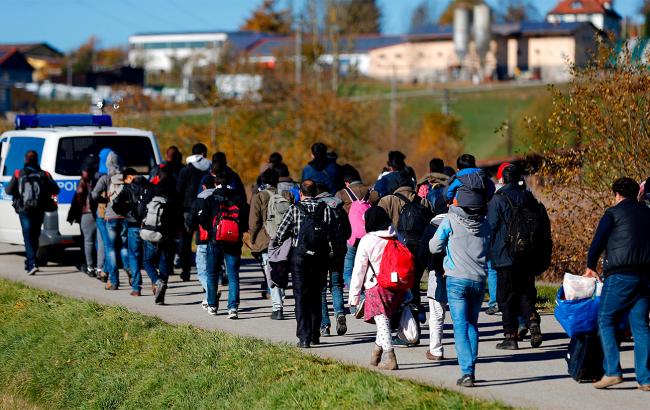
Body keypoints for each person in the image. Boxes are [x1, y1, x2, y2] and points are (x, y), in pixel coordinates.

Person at [584, 177, 650, 390]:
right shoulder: (648, 212)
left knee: (605, 319)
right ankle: (645, 378)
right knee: (640, 326)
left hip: (621, 274)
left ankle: (612, 371)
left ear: (617, 195)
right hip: (645, 276)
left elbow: (598, 242)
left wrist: (590, 266)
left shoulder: (612, 213)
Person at [487, 165, 551, 350]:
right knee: (525, 291)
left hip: (505, 255)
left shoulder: (498, 199)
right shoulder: (529, 197)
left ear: (503, 180)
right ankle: (532, 319)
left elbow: (490, 227)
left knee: (506, 297)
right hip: (527, 254)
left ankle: (510, 336)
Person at [273, 179, 342, 348]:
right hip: (321, 257)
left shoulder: (294, 209)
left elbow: (280, 233)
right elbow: (335, 233)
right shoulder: (326, 209)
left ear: (301, 193)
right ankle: (315, 334)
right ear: (316, 193)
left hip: (300, 257)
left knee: (301, 296)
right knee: (317, 294)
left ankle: (304, 337)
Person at [429, 204, 490, 388]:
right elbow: (490, 250)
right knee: (472, 323)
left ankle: (466, 372)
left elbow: (433, 247)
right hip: (478, 279)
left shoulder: (450, 220)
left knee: (460, 325)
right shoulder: (485, 224)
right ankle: (471, 367)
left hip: (456, 279)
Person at [349, 206, 406, 370]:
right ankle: (376, 352)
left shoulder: (368, 240)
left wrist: (354, 297)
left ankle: (390, 357)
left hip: (376, 285)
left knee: (382, 320)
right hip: (397, 287)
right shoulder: (395, 236)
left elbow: (359, 269)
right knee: (384, 320)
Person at [378, 172, 433, 325]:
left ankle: (400, 321)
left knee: (395, 286)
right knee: (413, 284)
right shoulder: (423, 202)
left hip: (396, 251)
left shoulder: (387, 201)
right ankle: (415, 315)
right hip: (420, 249)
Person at [199, 171, 249, 319]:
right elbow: (245, 219)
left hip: (215, 239)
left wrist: (210, 230)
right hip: (233, 241)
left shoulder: (211, 197)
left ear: (216, 182)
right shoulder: (238, 198)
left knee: (212, 273)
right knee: (233, 275)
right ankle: (233, 308)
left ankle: (213, 305)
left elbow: (202, 218)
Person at [247, 168, 293, 319]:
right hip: (285, 239)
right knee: (282, 269)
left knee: (271, 273)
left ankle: (277, 308)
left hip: (266, 239)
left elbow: (254, 222)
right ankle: (282, 298)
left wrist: (252, 239)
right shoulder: (285, 195)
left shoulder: (259, 196)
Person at [6, 150, 59, 275]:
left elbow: (8, 191)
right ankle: (31, 261)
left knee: (28, 236)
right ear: (37, 159)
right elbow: (56, 189)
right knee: (35, 236)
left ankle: (31, 264)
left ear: (25, 160)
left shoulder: (18, 173)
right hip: (39, 209)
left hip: (24, 210)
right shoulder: (44, 174)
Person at [140, 166, 182, 305]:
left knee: (147, 261)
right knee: (164, 262)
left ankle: (157, 281)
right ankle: (161, 294)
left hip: (151, 230)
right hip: (168, 234)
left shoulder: (153, 189)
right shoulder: (175, 193)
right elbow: (179, 216)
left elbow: (141, 209)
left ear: (158, 176)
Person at [316, 183, 351, 337]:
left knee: (321, 289)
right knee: (336, 285)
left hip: (321, 252)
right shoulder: (338, 206)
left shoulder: (316, 207)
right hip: (338, 251)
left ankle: (325, 325)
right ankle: (339, 313)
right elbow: (348, 232)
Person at [335, 165, 378, 290]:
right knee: (369, 268)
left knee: (348, 269)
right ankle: (368, 291)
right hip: (370, 236)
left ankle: (358, 293)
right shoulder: (372, 193)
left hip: (351, 236)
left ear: (346, 182)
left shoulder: (341, 194)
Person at [92, 151, 128, 290]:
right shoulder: (125, 178)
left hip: (110, 217)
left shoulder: (105, 179)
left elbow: (94, 195)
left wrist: (105, 200)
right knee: (124, 246)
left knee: (110, 248)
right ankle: (129, 268)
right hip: (124, 217)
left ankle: (113, 280)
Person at [113, 168, 150, 296]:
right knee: (148, 257)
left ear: (129, 177)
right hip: (148, 225)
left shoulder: (127, 189)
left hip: (133, 225)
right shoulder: (149, 186)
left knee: (134, 255)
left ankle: (136, 287)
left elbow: (115, 204)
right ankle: (155, 282)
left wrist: (127, 212)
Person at [176, 143, 211, 281]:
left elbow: (179, 191)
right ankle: (206, 269)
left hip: (187, 209)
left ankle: (185, 270)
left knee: (185, 240)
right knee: (205, 239)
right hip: (205, 208)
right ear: (203, 153)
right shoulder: (209, 169)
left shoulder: (185, 171)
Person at [485, 162, 512, 316]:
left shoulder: (495, 192)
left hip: (497, 237)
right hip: (517, 237)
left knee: (493, 269)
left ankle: (495, 301)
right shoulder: (525, 191)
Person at [187, 176, 216, 310]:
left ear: (203, 186)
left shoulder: (199, 199)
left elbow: (190, 220)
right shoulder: (219, 197)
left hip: (203, 238)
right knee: (214, 269)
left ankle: (211, 293)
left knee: (201, 270)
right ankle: (210, 295)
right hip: (218, 238)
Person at [68, 155, 99, 277]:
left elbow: (79, 196)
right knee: (100, 241)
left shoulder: (84, 180)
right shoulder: (101, 178)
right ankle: (100, 267)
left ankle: (90, 266)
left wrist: (80, 209)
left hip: (87, 213)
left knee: (88, 241)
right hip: (100, 213)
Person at [94, 148, 113, 282]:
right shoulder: (120, 175)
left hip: (102, 212)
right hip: (116, 213)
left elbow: (94, 194)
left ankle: (101, 268)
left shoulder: (101, 176)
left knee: (103, 242)